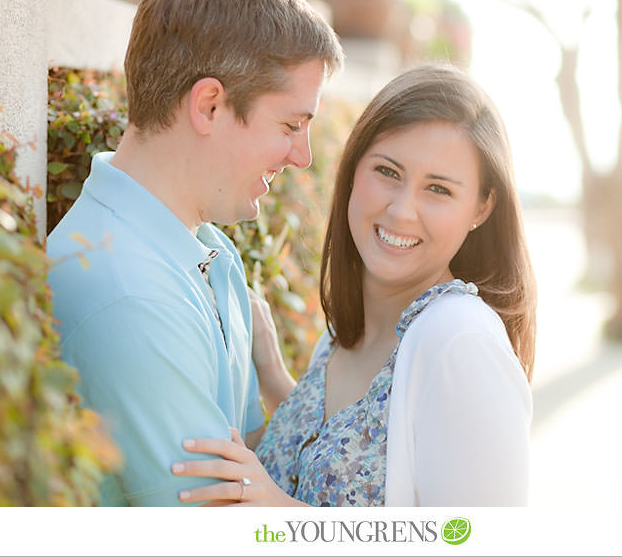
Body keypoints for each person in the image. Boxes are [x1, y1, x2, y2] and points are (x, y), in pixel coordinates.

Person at [46, 0, 343, 506]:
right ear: (209, 105)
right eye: (290, 124)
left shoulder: (211, 253)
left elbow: (257, 459)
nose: (302, 156)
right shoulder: (129, 295)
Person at [170, 64, 537, 506]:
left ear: (481, 207)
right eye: (388, 172)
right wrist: (271, 374)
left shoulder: (461, 342)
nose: (402, 210)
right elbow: (337, 465)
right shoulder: (345, 332)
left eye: (438, 189)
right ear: (353, 168)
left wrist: (277, 512)